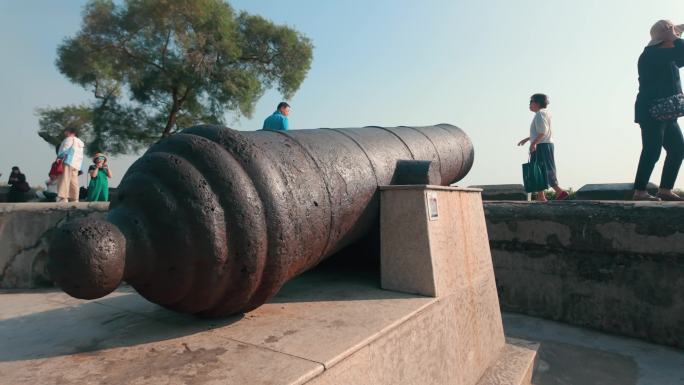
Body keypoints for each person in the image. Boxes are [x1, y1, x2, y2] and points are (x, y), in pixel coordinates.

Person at [633, 20, 684, 201]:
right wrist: (674, 38)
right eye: (674, 34)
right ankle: (640, 191)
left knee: (678, 149)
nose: (678, 37)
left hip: (667, 112)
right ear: (664, 37)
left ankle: (665, 190)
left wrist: (675, 36)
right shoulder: (651, 55)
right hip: (651, 111)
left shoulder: (669, 56)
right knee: (652, 150)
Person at [517, 94, 570, 202]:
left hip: (542, 145)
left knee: (543, 169)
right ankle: (541, 196)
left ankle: (560, 192)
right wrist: (528, 139)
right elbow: (542, 132)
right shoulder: (545, 113)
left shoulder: (539, 114)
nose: (529, 105)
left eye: (530, 102)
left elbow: (542, 132)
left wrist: (533, 144)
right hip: (545, 144)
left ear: (536, 103)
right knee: (539, 169)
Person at [56, 127, 85, 202]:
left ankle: (63, 197)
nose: (64, 133)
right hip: (76, 164)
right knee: (74, 182)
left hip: (68, 161)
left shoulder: (68, 139)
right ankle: (75, 198)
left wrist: (59, 158)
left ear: (68, 131)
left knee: (64, 179)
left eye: (65, 131)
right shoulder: (80, 142)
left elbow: (64, 150)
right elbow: (81, 155)